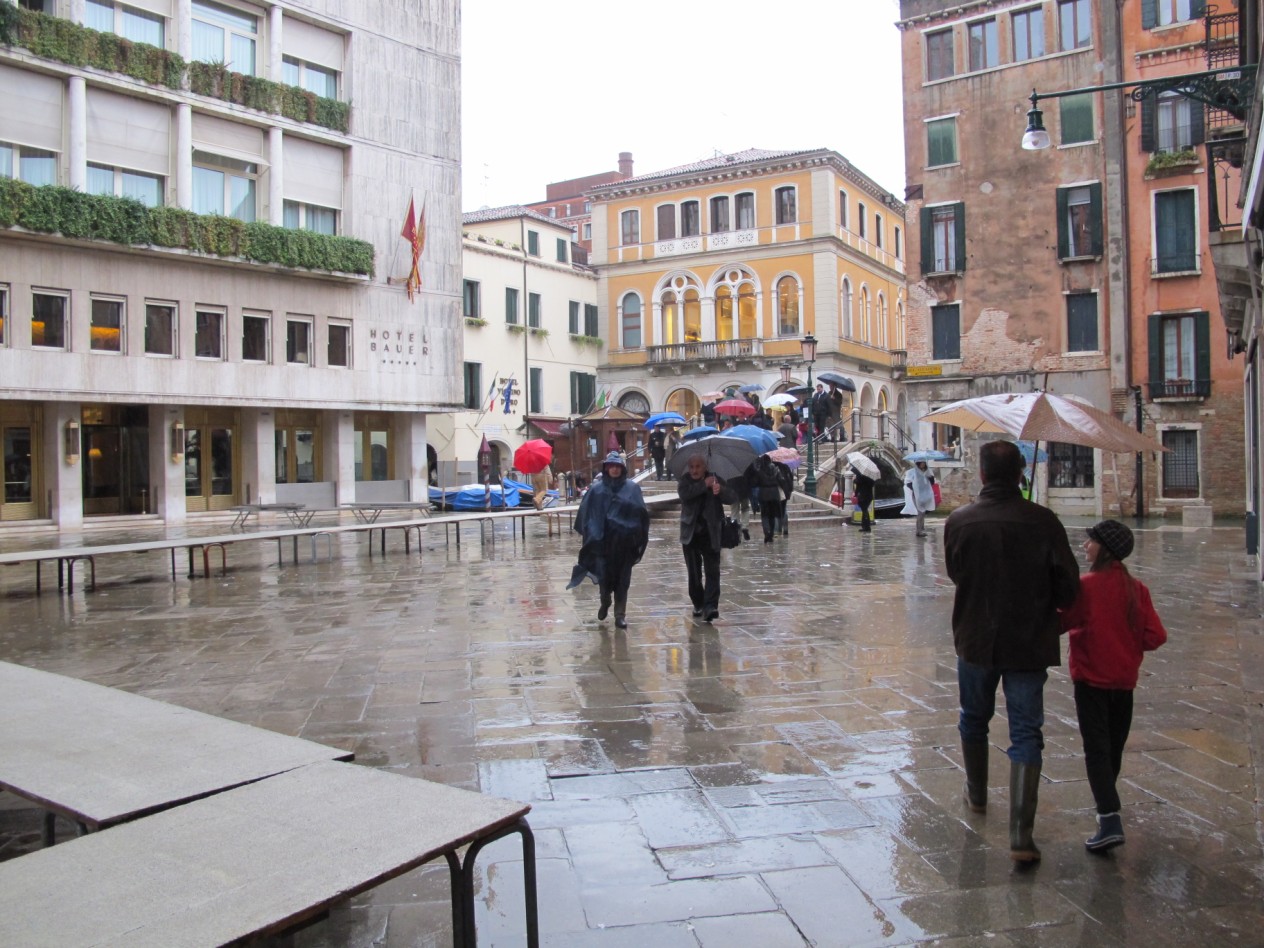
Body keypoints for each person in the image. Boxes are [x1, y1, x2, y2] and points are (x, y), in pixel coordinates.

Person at [944, 440, 1080, 863]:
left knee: (973, 718)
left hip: (975, 636)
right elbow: (1070, 587)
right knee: (1026, 731)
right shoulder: (1045, 522)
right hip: (1029, 640)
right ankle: (1021, 836)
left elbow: (956, 572)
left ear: (982, 474)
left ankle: (978, 796)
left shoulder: (960, 521)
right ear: (1020, 474)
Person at [1060, 520, 1167, 853]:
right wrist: (1127, 645)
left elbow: (1063, 621)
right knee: (1113, 748)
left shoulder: (1087, 587)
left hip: (1091, 680)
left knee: (1097, 749)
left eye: (1089, 541)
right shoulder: (1138, 589)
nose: (1085, 546)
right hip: (1124, 682)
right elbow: (1155, 636)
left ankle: (1109, 818)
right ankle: (1107, 809)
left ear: (1103, 547)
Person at [567, 452, 650, 629]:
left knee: (623, 580)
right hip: (603, 544)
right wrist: (592, 533)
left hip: (624, 544)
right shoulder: (596, 490)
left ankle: (620, 614)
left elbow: (641, 514)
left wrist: (633, 531)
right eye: (611, 466)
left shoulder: (631, 488)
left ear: (622, 468)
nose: (614, 469)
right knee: (604, 579)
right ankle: (605, 602)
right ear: (606, 468)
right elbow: (586, 514)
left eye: (617, 466)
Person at [677, 454, 736, 622]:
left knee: (713, 572)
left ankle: (710, 606)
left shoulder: (716, 478)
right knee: (694, 573)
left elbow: (732, 497)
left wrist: (720, 490)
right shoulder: (685, 481)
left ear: (705, 467)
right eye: (692, 467)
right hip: (691, 534)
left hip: (711, 533)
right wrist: (704, 484)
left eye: (698, 466)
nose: (694, 470)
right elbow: (685, 495)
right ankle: (698, 602)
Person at [749, 454, 793, 543]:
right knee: (772, 515)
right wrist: (786, 492)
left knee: (765, 515)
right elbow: (782, 480)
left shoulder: (759, 471)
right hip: (774, 494)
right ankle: (772, 533)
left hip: (763, 494)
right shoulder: (776, 469)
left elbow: (754, 483)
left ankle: (767, 533)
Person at [901, 461, 937, 537]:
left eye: (924, 463)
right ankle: (918, 530)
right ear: (918, 464)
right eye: (921, 463)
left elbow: (932, 483)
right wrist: (914, 489)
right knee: (920, 512)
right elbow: (908, 483)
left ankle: (922, 528)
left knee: (923, 512)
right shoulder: (913, 472)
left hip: (926, 494)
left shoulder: (928, 472)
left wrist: (930, 477)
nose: (923, 464)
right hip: (917, 494)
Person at [852, 464, 875, 533]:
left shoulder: (860, 475)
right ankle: (865, 526)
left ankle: (866, 527)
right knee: (865, 510)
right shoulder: (871, 476)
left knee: (864, 510)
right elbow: (872, 484)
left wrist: (854, 480)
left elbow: (858, 485)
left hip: (863, 496)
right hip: (869, 496)